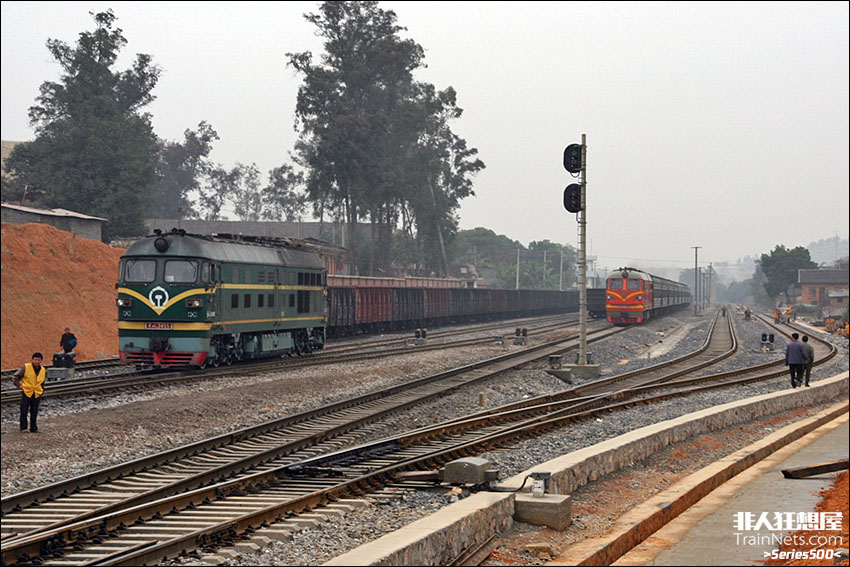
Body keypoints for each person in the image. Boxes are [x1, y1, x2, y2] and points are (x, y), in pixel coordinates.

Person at [12, 352, 46, 432]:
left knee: (34, 411)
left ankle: (33, 428)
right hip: (27, 391)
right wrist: (19, 385)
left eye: (38, 360)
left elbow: (42, 381)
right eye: (35, 360)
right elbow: (16, 376)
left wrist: (42, 390)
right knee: (24, 410)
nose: (37, 361)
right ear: (32, 360)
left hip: (37, 393)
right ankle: (23, 428)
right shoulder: (26, 367)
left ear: (41, 360)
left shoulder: (43, 370)